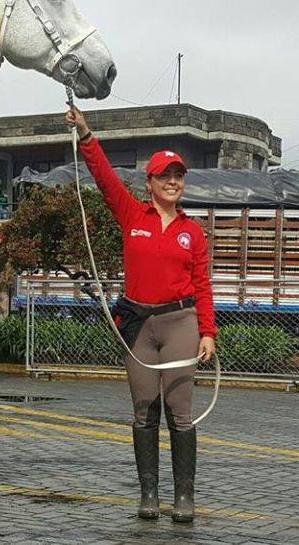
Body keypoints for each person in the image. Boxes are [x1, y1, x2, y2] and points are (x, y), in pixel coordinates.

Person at [65, 105, 216, 524]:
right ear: (149, 182)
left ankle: (183, 497)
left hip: (180, 324)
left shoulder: (193, 231)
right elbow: (104, 178)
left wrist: (208, 332)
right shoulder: (132, 214)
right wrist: (86, 133)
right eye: (165, 175)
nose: (173, 182)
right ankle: (149, 495)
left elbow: (203, 286)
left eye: (178, 176)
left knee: (180, 412)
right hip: (140, 326)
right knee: (144, 409)